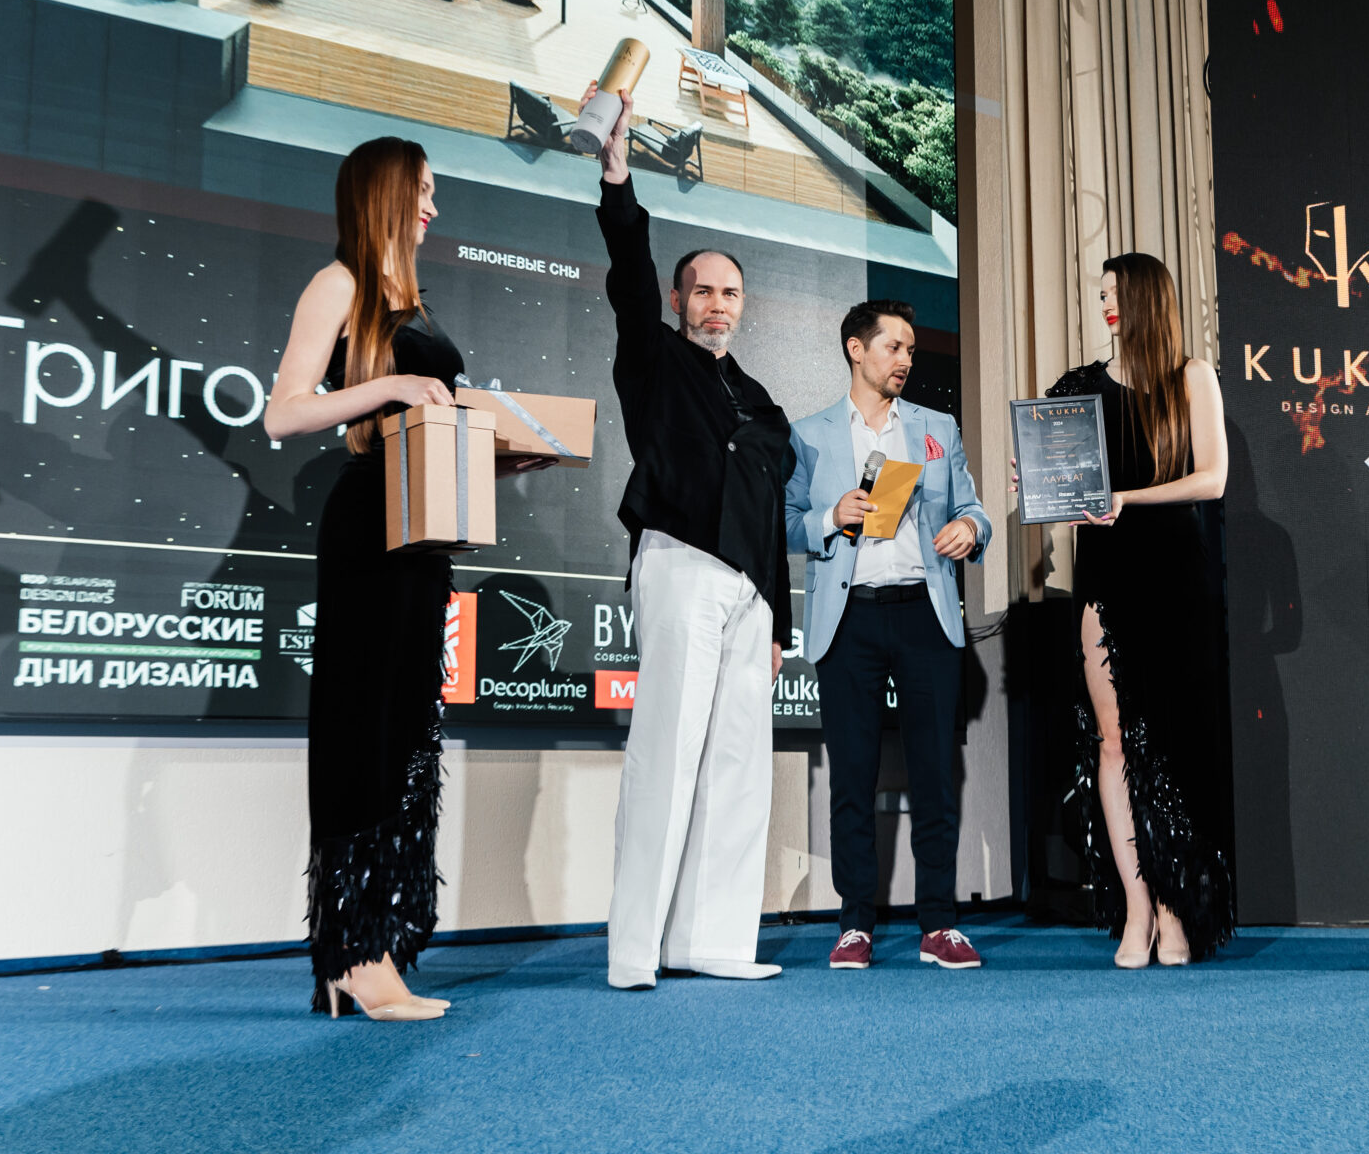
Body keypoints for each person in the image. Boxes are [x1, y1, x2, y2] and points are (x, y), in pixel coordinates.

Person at [264, 137, 550, 1021]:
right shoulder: (338, 284)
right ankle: (352, 956)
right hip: (369, 527)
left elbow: (424, 420)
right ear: (384, 193)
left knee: (405, 739)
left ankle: (374, 944)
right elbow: (284, 413)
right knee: (360, 732)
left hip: (424, 533)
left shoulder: (411, 302)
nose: (433, 206)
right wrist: (391, 388)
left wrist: (499, 458)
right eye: (422, 190)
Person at [584, 82, 794, 991]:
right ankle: (635, 951)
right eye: (702, 289)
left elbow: (770, 511)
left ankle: (713, 941)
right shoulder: (653, 354)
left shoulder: (757, 395)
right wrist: (617, 173)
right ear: (678, 298)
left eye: (730, 293)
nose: (716, 303)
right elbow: (628, 269)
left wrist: (780, 618)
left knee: (740, 766)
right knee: (665, 754)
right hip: (679, 565)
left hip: (751, 591)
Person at [1028, 254, 1233, 968]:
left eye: (1117, 292)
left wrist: (1127, 498)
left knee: (1170, 742)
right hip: (1106, 576)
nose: (1106, 303)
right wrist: (1040, 480)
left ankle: (1177, 907)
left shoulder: (1191, 377)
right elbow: (1054, 475)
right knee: (1112, 741)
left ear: (1148, 298)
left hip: (1177, 577)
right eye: (1101, 293)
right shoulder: (1078, 389)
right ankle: (1137, 907)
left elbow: (1212, 479)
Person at [784, 301, 993, 971]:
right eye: (893, 347)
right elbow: (782, 522)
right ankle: (855, 925)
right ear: (856, 349)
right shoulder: (808, 434)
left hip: (924, 613)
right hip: (849, 618)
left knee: (935, 775)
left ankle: (939, 923)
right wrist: (830, 516)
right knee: (852, 776)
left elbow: (973, 508)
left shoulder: (936, 427)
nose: (905, 359)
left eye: (909, 349)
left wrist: (971, 529)